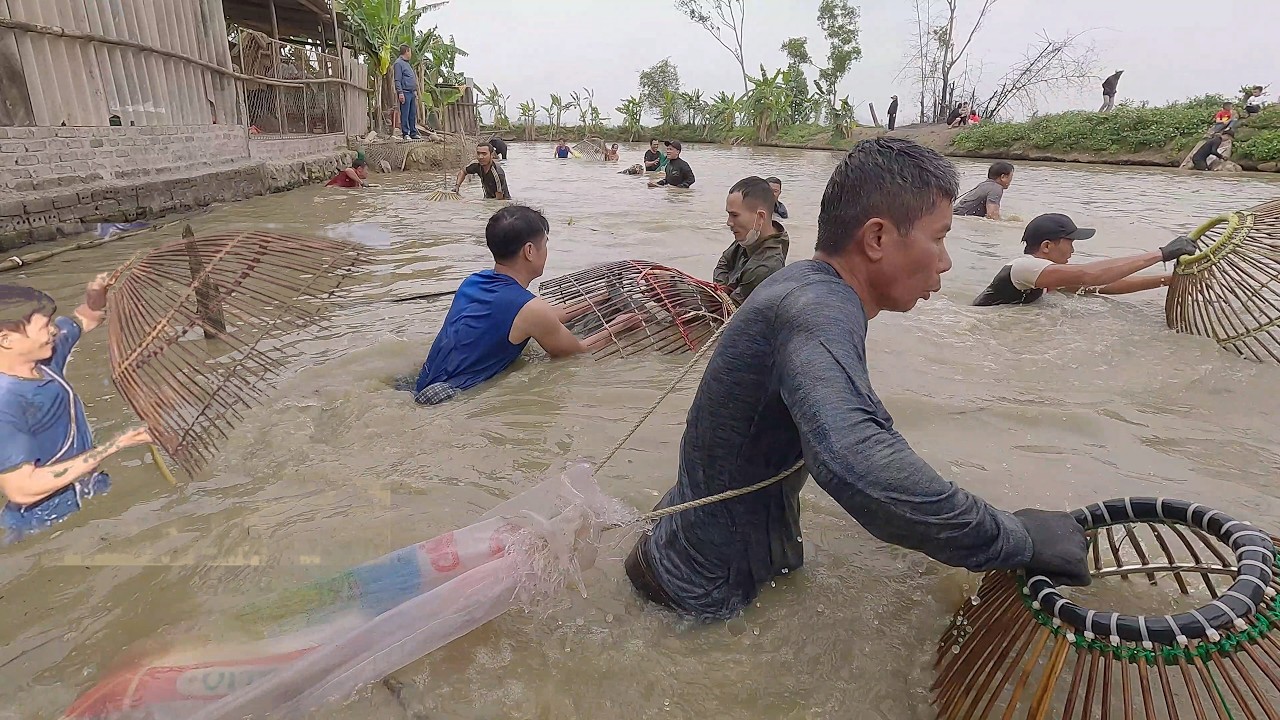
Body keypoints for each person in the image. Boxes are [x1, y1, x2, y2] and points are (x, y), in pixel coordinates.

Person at [624, 138, 1091, 620]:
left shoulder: (805, 285)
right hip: (697, 593)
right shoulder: (818, 310)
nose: (946, 261)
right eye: (938, 237)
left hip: (689, 548)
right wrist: (1013, 538)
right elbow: (857, 459)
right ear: (877, 238)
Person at [412, 206, 639, 404]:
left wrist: (600, 297)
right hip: (450, 397)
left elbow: (547, 316)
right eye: (545, 244)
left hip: (423, 382)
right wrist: (621, 323)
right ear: (529, 251)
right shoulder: (529, 309)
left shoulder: (472, 282)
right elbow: (577, 351)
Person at [0, 280, 155, 545]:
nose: (54, 331)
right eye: (45, 327)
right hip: (44, 522)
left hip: (86, 492)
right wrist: (115, 446)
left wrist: (96, 296)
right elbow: (22, 489)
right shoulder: (6, 402)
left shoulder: (43, 360)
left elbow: (87, 317)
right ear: (6, 339)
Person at [971, 213, 1197, 307]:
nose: (1073, 250)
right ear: (1047, 246)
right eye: (1070, 242)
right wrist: (1161, 254)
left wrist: (1168, 280)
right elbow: (1089, 274)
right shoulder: (1025, 267)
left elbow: (1099, 286)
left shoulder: (1044, 275)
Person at [713, 176, 791, 306]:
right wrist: (723, 288)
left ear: (760, 217)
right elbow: (723, 262)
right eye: (728, 215)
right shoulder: (749, 236)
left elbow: (728, 308)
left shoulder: (766, 267)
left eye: (735, 215)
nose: (729, 222)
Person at [392, 45, 420, 141]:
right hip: (405, 92)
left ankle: (413, 132)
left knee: (412, 113)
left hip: (411, 92)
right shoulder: (398, 64)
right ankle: (405, 133)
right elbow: (397, 80)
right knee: (405, 113)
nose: (411, 54)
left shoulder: (407, 64)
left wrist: (415, 91)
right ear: (406, 52)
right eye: (410, 52)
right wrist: (400, 92)